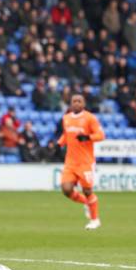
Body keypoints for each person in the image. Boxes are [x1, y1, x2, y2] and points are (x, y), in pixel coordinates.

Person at [58, 94, 105, 230]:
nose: (77, 103)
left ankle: (95, 220)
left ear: (84, 104)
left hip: (85, 162)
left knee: (87, 190)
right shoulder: (66, 118)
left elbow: (101, 135)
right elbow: (66, 135)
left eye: (79, 101)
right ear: (71, 103)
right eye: (74, 101)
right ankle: (87, 203)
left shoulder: (90, 118)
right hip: (70, 162)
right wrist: (58, 143)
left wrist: (87, 137)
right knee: (66, 189)